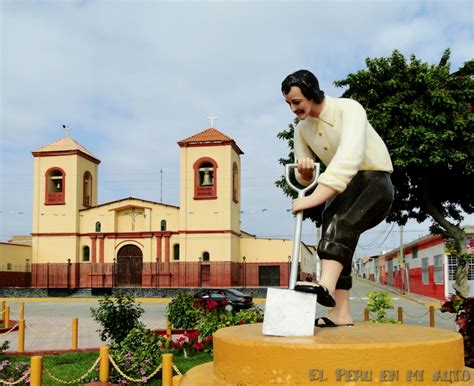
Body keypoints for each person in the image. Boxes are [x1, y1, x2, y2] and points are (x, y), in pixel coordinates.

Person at [281, 69, 394, 327]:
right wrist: (306, 174)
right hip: (343, 187)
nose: (293, 109)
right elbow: (302, 178)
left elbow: (349, 156)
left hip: (374, 180)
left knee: (339, 223)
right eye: (288, 103)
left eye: (296, 102)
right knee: (336, 234)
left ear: (311, 94)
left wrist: (317, 195)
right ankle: (340, 314)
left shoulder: (349, 109)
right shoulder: (301, 130)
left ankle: (325, 288)